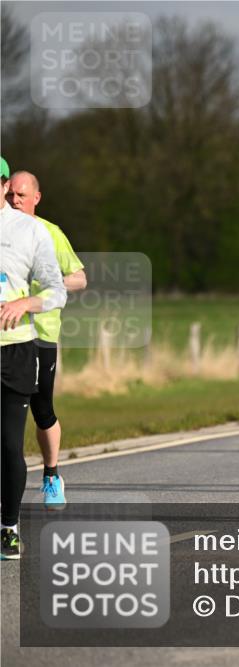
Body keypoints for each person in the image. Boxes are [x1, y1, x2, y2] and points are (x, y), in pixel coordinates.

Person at [6, 171, 87, 510]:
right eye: (11, 194)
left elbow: (79, 278)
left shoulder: (50, 233)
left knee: (41, 409)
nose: (15, 201)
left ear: (36, 198)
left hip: (41, 334)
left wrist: (48, 283)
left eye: (22, 195)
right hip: (7, 336)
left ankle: (52, 474)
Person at [1, 156, 67, 559]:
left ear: (3, 183)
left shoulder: (30, 230)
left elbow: (58, 290)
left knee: (8, 444)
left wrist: (27, 301)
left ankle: (8, 527)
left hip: (15, 350)